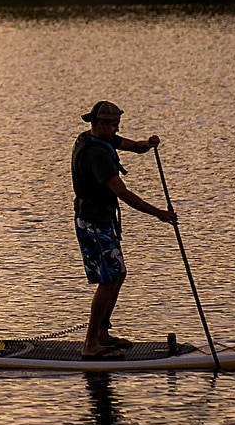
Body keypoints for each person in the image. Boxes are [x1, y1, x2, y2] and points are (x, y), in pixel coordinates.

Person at [71, 100, 177, 358]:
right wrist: (159, 214)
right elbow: (122, 192)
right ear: (99, 123)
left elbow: (130, 146)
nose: (116, 129)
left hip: (104, 220)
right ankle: (90, 345)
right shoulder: (95, 154)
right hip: (93, 223)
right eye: (113, 125)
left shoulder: (97, 138)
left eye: (118, 124)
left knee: (118, 275)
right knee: (107, 280)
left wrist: (147, 145)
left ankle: (102, 334)